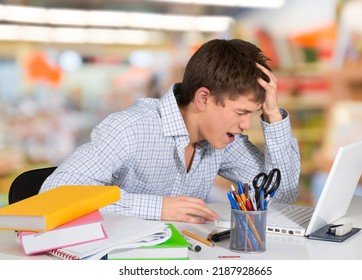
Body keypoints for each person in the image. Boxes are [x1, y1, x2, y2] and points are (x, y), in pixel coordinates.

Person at [40, 39, 300, 224]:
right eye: (241, 113)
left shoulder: (223, 141)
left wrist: (273, 115)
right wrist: (158, 207)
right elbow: (55, 193)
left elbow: (281, 196)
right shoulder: (130, 127)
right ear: (203, 98)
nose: (246, 125)